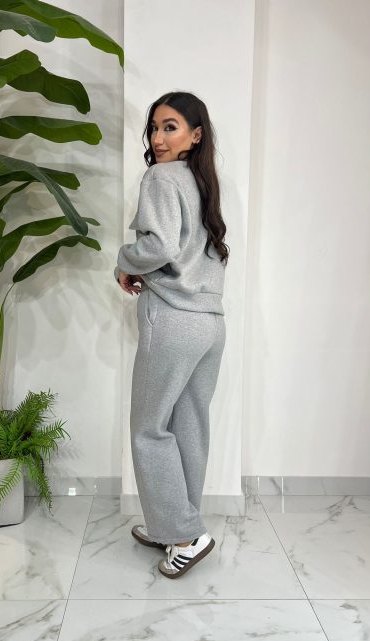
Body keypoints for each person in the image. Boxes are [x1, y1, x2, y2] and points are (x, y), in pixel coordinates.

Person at [114, 91, 229, 579]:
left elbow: (157, 245)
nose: (158, 138)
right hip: (210, 324)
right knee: (189, 426)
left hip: (174, 321)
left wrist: (124, 261)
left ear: (195, 134)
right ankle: (174, 526)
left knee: (149, 429)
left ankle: (183, 533)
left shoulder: (161, 178)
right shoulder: (203, 183)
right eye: (155, 128)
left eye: (170, 127)